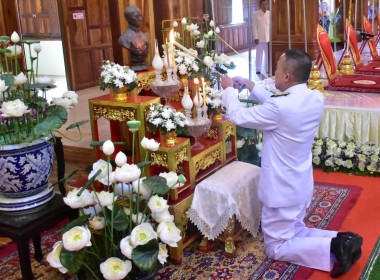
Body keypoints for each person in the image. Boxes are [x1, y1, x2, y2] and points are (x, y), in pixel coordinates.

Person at [220, 49, 363, 278]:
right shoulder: (314, 97)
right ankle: (342, 239)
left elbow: (239, 116)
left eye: (277, 68)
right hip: (300, 185)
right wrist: (250, 85)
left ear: (287, 77)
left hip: (281, 190)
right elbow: (279, 105)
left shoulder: (280, 107)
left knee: (276, 247)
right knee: (295, 230)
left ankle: (333, 247)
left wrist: (228, 89)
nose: (274, 72)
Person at [118, 6, 149, 71]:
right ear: (129, 19)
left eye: (140, 16)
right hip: (135, 67)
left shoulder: (144, 36)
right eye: (137, 16)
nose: (140, 19)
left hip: (143, 66)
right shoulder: (124, 38)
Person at [253, 0, 270, 75]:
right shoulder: (256, 14)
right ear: (260, 5)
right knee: (259, 54)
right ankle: (258, 69)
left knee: (267, 55)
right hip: (260, 38)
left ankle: (267, 68)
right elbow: (254, 27)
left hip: (268, 38)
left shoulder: (270, 13)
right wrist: (255, 37)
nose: (265, 6)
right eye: (263, 4)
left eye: (266, 4)